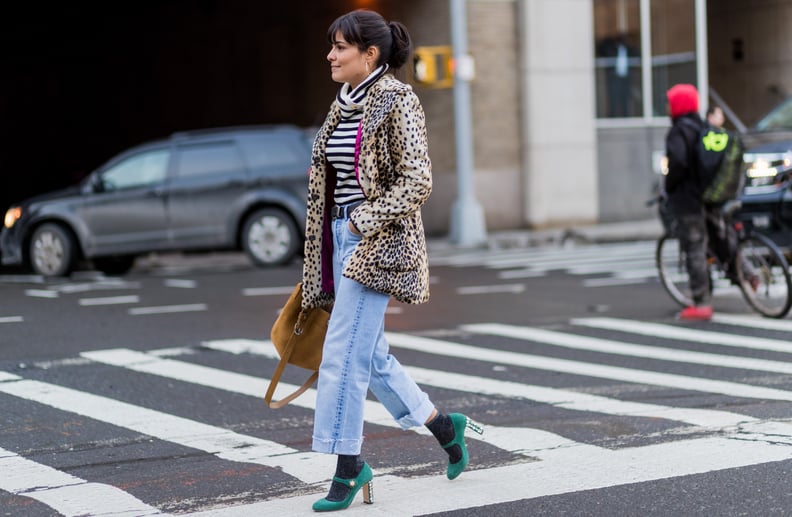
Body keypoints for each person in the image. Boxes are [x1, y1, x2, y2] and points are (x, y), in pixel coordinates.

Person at [301, 9, 482, 512]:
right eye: (331, 45)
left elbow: (418, 180)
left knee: (342, 355)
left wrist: (364, 221)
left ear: (371, 54)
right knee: (371, 355)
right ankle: (445, 427)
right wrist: (332, 236)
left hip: (378, 244)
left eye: (340, 47)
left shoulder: (397, 100)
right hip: (339, 240)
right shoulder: (344, 103)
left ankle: (348, 466)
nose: (330, 55)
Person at [664, 83, 713, 320]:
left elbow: (678, 162)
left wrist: (668, 185)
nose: (666, 107)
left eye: (670, 102)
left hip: (688, 199)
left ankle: (701, 302)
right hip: (710, 195)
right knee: (719, 239)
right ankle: (747, 275)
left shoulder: (679, 131)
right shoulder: (701, 127)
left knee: (694, 247)